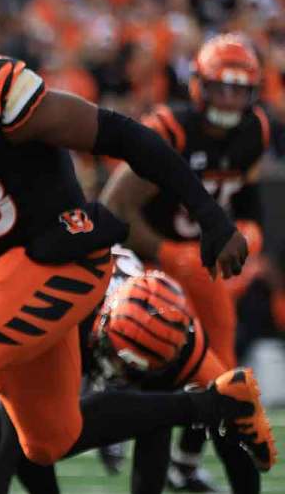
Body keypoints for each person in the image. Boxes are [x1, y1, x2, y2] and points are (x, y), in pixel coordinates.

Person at [0, 0, 270, 494]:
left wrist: (210, 218)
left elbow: (121, 134)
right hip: (7, 273)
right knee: (48, 439)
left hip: (64, 256)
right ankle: (213, 404)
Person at [101, 33, 270, 490]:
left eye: (239, 89)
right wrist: (167, 253)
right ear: (199, 85)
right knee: (157, 366)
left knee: (221, 367)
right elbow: (114, 207)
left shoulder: (254, 130)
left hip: (203, 265)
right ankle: (105, 408)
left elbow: (247, 196)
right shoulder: (170, 129)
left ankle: (186, 463)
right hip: (146, 265)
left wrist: (250, 229)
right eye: (221, 87)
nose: (229, 99)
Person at [88, 255, 274, 493]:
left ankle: (181, 462)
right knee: (52, 436)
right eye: (124, 359)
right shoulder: (77, 315)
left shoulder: (178, 338)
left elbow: (234, 409)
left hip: (138, 310)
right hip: (76, 305)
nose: (124, 371)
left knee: (195, 405)